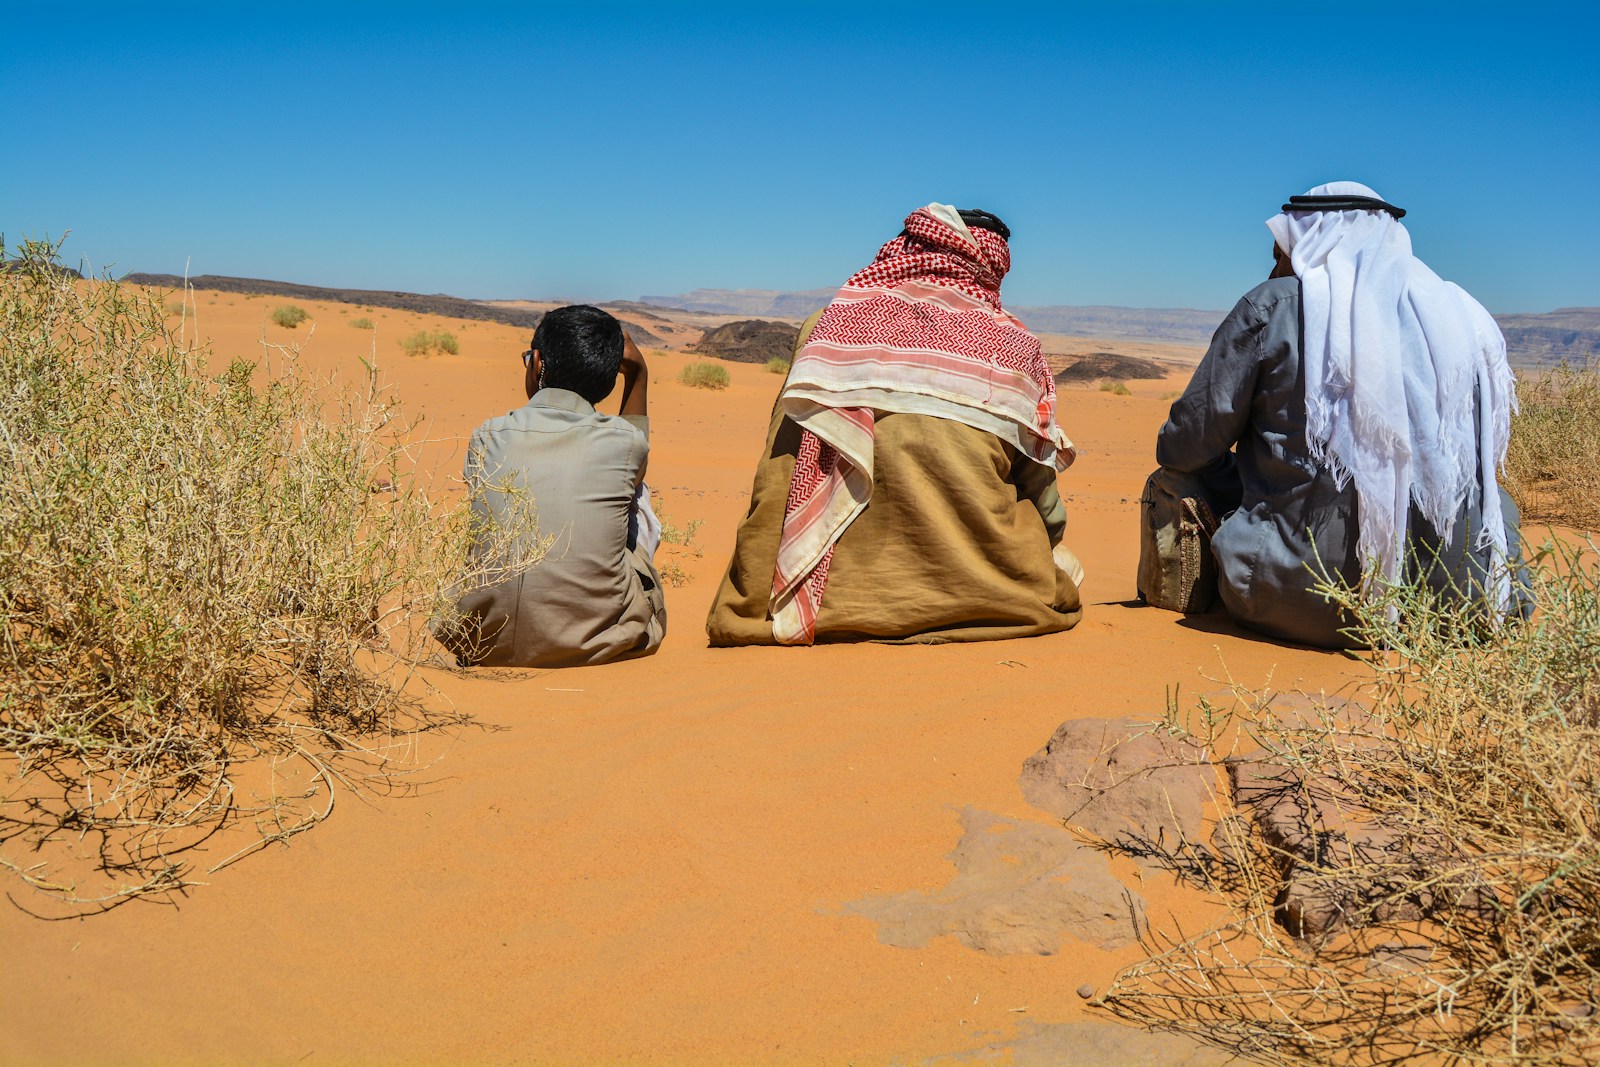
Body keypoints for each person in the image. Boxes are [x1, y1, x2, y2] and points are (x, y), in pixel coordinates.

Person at [1154, 181, 1525, 649]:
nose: (1275, 267)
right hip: (1464, 603)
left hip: (1304, 603)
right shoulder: (1461, 318)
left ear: (1314, 243)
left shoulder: (1274, 307)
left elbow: (1185, 445)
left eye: (1280, 253)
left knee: (1174, 478)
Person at [706, 203, 1082, 646]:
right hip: (990, 585)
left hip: (831, 589)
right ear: (993, 265)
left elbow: (780, 461)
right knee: (1066, 567)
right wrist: (1046, 543)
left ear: (909, 247)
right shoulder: (1015, 346)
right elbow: (1042, 496)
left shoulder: (828, 324)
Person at [433, 304, 666, 667]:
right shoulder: (625, 441)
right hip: (593, 643)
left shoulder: (488, 435)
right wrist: (639, 374)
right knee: (635, 493)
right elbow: (635, 462)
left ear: (537, 363)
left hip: (478, 639)